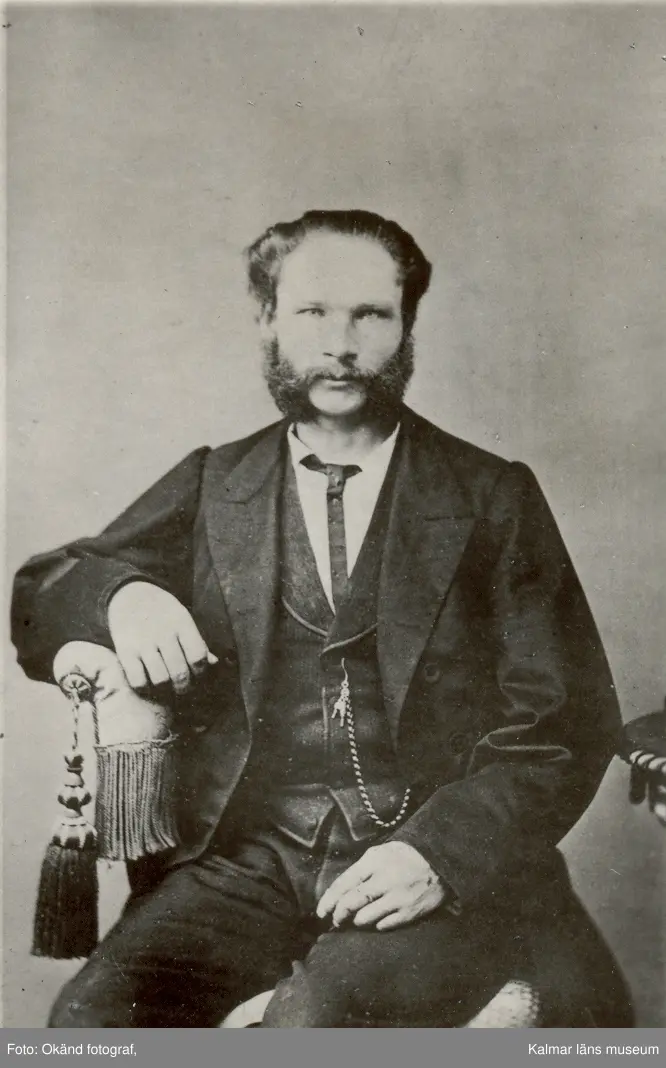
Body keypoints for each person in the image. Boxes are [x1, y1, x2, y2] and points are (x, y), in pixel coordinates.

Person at [12, 209, 632, 1027]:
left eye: (371, 314)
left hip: (423, 860)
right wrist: (124, 595)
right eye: (312, 312)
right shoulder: (216, 484)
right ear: (268, 319)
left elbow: (565, 723)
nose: (341, 344)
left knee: (311, 1025)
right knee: (90, 1023)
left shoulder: (490, 495)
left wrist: (438, 854)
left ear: (407, 325)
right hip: (250, 863)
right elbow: (44, 587)